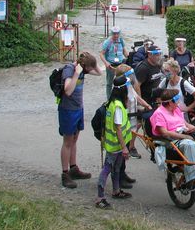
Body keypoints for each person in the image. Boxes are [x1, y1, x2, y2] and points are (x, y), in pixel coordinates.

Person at [150, 89, 195, 187]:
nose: (178, 102)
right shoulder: (159, 113)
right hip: (170, 140)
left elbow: (185, 124)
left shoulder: (176, 110)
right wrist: (185, 136)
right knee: (190, 144)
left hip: (183, 134)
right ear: (169, 102)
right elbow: (164, 133)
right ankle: (193, 178)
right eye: (176, 100)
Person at [58, 52, 101, 189]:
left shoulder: (83, 69)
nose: (89, 71)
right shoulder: (70, 70)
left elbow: (99, 73)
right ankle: (65, 174)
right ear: (83, 66)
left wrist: (93, 62)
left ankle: (73, 168)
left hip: (78, 109)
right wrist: (76, 73)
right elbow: (68, 91)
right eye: (88, 68)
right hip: (68, 110)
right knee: (67, 142)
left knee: (74, 139)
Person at [95, 75, 132, 209]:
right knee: (107, 169)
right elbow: (117, 127)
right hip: (115, 145)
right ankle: (100, 197)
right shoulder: (117, 106)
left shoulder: (113, 102)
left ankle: (116, 190)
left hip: (115, 145)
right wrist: (124, 148)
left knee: (116, 168)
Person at [114, 64, 152, 162]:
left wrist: (146, 105)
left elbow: (136, 97)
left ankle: (122, 170)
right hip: (124, 120)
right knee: (120, 150)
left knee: (130, 137)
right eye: (130, 75)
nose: (132, 77)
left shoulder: (128, 85)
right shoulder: (119, 89)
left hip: (131, 117)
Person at [99, 27, 128, 99]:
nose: (116, 36)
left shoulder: (121, 40)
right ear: (111, 34)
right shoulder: (107, 42)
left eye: (117, 34)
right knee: (109, 83)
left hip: (120, 64)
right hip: (111, 65)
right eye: (114, 34)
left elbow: (124, 51)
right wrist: (106, 63)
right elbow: (101, 54)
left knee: (122, 81)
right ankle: (109, 99)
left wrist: (128, 57)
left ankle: (120, 97)